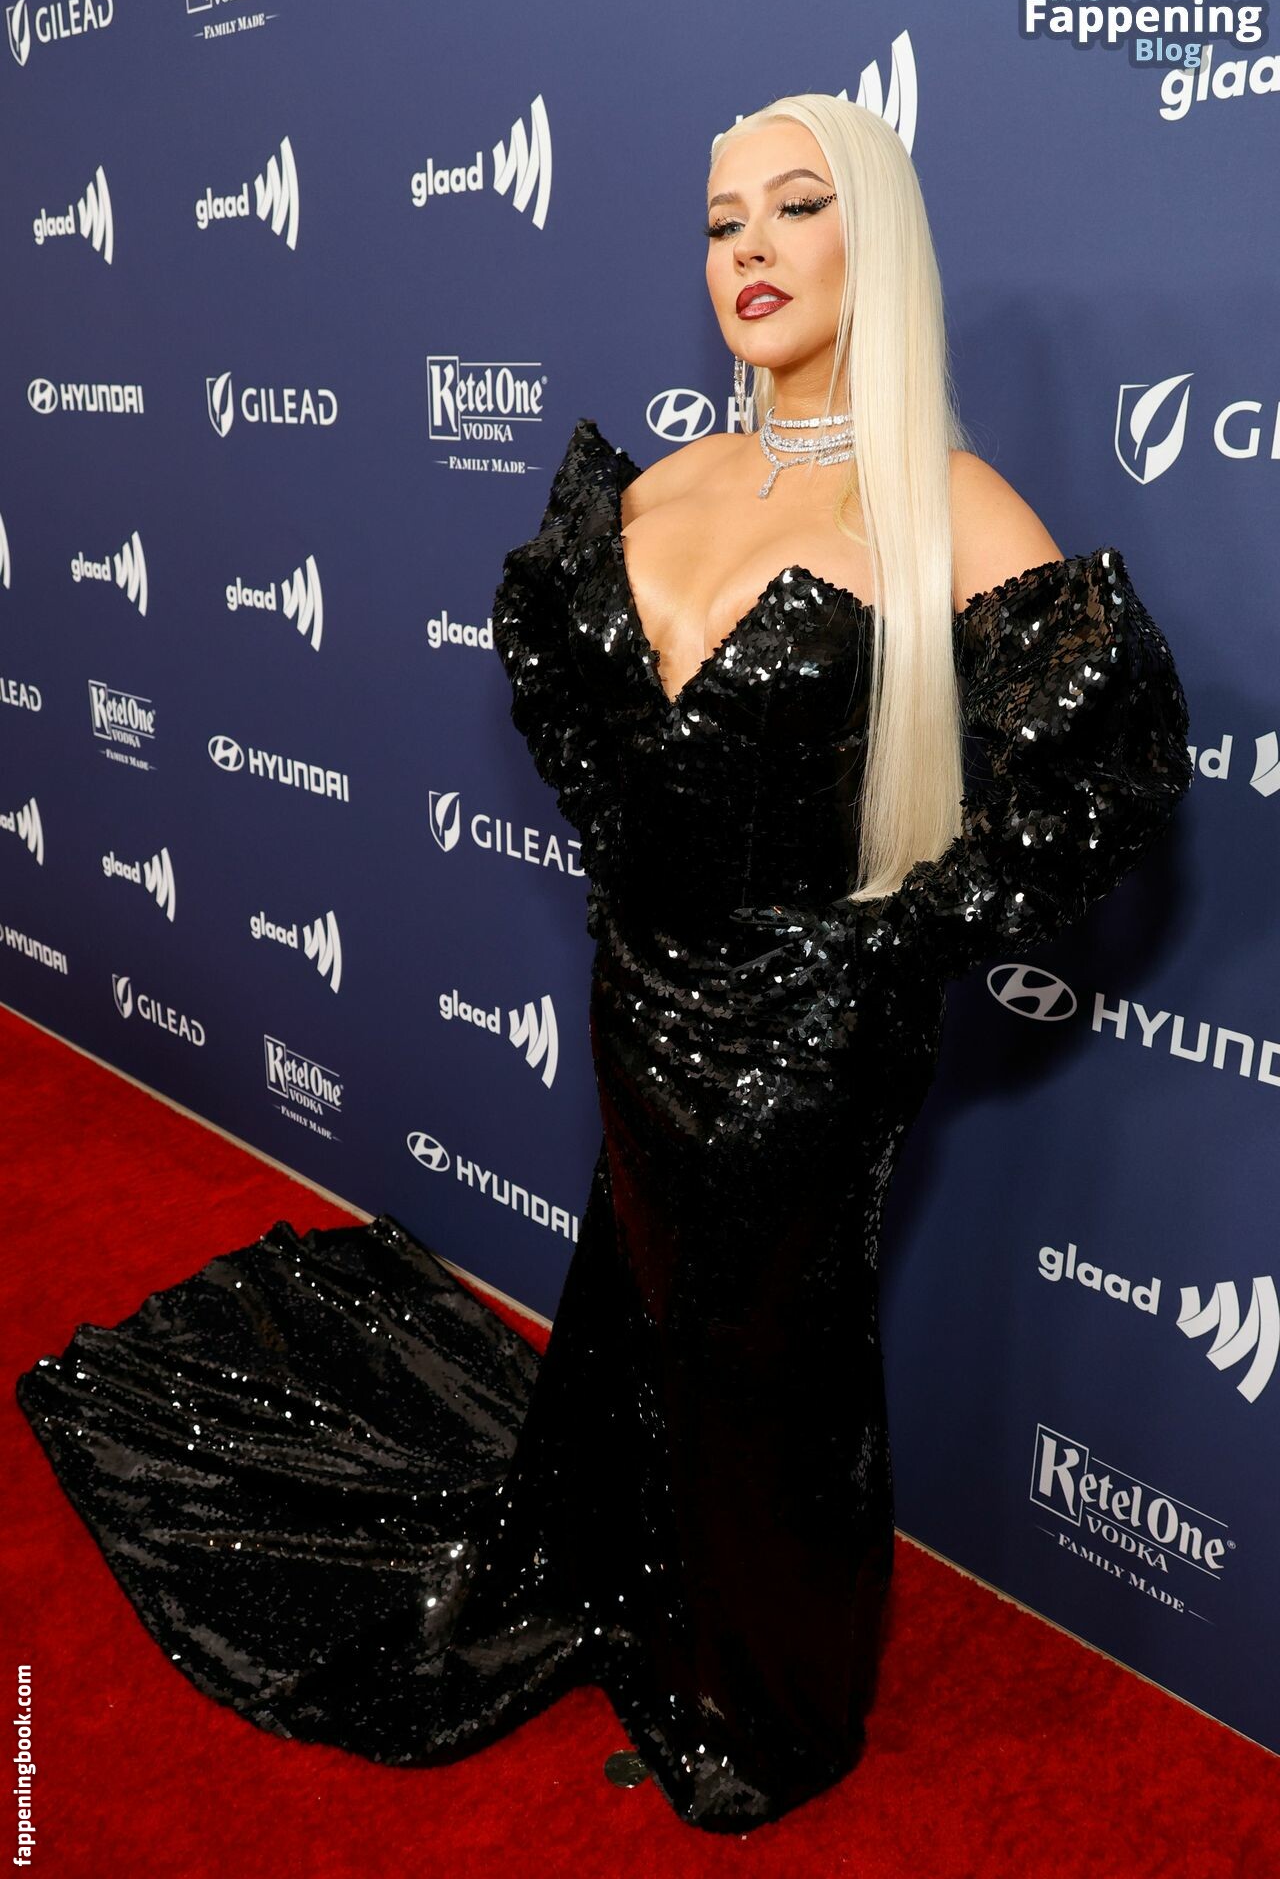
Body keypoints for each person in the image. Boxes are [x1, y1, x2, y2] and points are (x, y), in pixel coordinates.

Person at [15, 93, 1194, 1838]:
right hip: (642, 991)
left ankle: (767, 1703)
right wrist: (657, 878)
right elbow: (589, 721)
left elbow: (1105, 778)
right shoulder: (664, 482)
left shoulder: (948, 508)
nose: (750, 250)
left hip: (808, 1039)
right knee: (653, 1299)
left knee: (774, 1354)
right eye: (722, 223)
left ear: (877, 241)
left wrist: (879, 948)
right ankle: (628, 1569)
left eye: (796, 207)